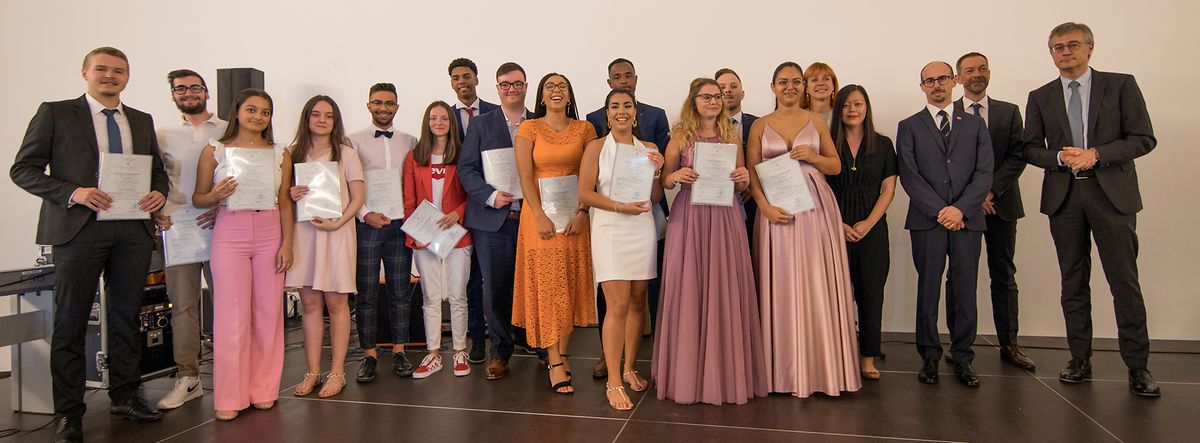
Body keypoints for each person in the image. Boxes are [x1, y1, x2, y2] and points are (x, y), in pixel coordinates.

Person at [10, 46, 168, 441]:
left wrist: (158, 194)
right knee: (71, 322)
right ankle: (69, 414)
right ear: (85, 73)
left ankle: (126, 396)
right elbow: (22, 169)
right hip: (78, 230)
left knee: (127, 316)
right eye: (101, 69)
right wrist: (74, 192)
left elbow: (158, 174)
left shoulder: (141, 120)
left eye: (118, 70)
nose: (110, 76)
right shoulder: (57, 113)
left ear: (128, 77)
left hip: (131, 230)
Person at [1023, 22, 1159, 396]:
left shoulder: (1121, 84)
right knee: (1073, 283)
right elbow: (1030, 148)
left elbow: (1143, 138)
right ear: (1050, 53)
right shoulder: (1040, 95)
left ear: (1090, 48)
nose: (1065, 52)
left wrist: (1097, 154)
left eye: (1072, 45)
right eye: (1056, 47)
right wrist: (1060, 158)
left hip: (1111, 196)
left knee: (1124, 283)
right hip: (1065, 199)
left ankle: (1138, 367)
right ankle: (1079, 358)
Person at [747, 62, 861, 398]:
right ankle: (778, 371)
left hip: (814, 209)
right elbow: (752, 171)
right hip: (775, 209)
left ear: (804, 87)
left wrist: (812, 155)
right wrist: (764, 207)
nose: (790, 87)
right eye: (783, 82)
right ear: (772, 87)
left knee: (814, 279)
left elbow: (836, 166)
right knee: (779, 281)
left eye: (796, 82)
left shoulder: (815, 121)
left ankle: (821, 367)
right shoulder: (759, 125)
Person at [653, 78, 767, 405]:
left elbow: (743, 178)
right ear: (694, 100)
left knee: (724, 286)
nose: (714, 101)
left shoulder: (733, 136)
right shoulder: (679, 136)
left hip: (725, 215)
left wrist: (743, 178)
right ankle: (687, 372)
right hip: (690, 215)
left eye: (718, 96)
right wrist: (676, 176)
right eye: (707, 96)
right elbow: (665, 180)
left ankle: (726, 371)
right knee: (689, 286)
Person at [192, 88, 293, 421]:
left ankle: (264, 389)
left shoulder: (280, 153)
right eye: (252, 110)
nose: (259, 117)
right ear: (237, 111)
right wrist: (216, 194)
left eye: (265, 112)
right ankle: (229, 396)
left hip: (269, 232)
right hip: (230, 232)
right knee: (231, 316)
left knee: (269, 314)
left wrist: (287, 243)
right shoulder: (215, 151)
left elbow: (285, 201)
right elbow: (198, 198)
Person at [896, 61, 993, 388]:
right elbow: (910, 175)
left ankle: (963, 356)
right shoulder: (909, 126)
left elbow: (984, 173)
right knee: (928, 290)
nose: (936, 85)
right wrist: (941, 210)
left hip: (967, 221)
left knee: (965, 289)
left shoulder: (975, 123)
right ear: (921, 86)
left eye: (941, 78)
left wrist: (961, 210)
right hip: (928, 221)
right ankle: (929, 358)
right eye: (928, 81)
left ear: (954, 81)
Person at [947, 52, 1036, 371]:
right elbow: (945, 162)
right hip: (961, 209)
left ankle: (1009, 343)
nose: (977, 74)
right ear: (958, 78)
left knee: (1004, 275)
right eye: (969, 70)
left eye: (982, 68)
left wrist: (990, 189)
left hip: (1001, 204)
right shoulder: (946, 112)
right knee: (958, 276)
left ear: (989, 73)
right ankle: (958, 343)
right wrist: (972, 196)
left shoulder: (1009, 112)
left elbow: (1017, 156)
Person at [584, 57, 670, 379]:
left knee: (637, 304)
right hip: (610, 228)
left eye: (628, 106)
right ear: (607, 114)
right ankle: (614, 380)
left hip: (641, 229)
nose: (622, 111)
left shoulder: (647, 148)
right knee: (616, 306)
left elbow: (656, 197)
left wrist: (658, 171)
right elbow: (585, 194)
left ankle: (631, 367)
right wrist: (619, 208)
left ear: (635, 113)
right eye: (615, 106)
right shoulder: (595, 148)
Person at [512, 72, 597, 395]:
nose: (557, 91)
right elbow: (524, 176)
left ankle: (562, 351)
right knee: (548, 287)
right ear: (541, 97)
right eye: (550, 87)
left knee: (569, 285)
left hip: (575, 220)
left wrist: (583, 212)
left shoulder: (585, 129)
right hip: (540, 221)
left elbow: (590, 175)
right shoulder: (529, 128)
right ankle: (553, 360)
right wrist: (538, 215)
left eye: (562, 86)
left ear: (570, 95)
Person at [458, 62, 541, 380]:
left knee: (534, 285)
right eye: (505, 85)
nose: (511, 89)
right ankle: (501, 352)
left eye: (517, 84)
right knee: (495, 288)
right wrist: (491, 196)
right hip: (494, 219)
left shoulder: (539, 122)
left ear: (525, 86)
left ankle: (540, 345)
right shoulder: (481, 125)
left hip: (533, 218)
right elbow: (467, 169)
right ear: (496, 88)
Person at [152, 69, 227, 410]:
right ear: (172, 95)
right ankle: (188, 376)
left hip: (221, 225)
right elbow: (153, 179)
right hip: (177, 229)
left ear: (206, 92)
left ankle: (230, 372)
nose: (189, 92)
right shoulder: (160, 134)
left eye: (195, 87)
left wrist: (221, 206)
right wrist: (156, 211)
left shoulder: (229, 129)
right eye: (181, 88)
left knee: (228, 303)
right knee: (183, 305)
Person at [285, 96, 365, 398]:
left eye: (328, 115)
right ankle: (312, 371)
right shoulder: (292, 154)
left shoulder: (346, 153)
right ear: (306, 118)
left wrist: (338, 222)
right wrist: (291, 192)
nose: (322, 120)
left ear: (335, 121)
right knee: (309, 304)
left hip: (337, 232)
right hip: (304, 233)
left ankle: (337, 371)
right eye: (316, 114)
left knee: (336, 303)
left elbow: (357, 197)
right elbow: (282, 198)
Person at [348, 83, 419, 382]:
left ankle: (400, 352)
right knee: (365, 294)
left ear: (397, 107)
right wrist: (365, 215)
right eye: (378, 103)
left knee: (400, 292)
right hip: (367, 225)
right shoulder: (351, 141)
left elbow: (414, 182)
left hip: (399, 225)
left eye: (389, 103)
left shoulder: (410, 140)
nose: (383, 108)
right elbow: (349, 183)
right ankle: (368, 355)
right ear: (368, 105)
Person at [826, 85, 898, 380]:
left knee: (871, 295)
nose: (852, 110)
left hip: (872, 228)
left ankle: (867, 358)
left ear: (866, 108)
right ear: (838, 110)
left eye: (858, 104)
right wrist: (837, 223)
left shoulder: (883, 144)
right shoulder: (827, 144)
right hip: (833, 226)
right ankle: (836, 356)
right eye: (846, 105)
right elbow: (819, 188)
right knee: (835, 296)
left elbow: (889, 188)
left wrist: (868, 222)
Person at [404, 101, 475, 379]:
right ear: (427, 121)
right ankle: (433, 353)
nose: (439, 122)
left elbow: (473, 194)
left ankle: (459, 350)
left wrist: (458, 214)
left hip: (458, 236)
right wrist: (415, 233)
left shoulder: (463, 154)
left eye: (444, 117)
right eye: (433, 117)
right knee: (430, 297)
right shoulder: (414, 157)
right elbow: (409, 200)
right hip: (425, 238)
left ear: (451, 122)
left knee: (458, 295)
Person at [447, 57, 494, 362]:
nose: (462, 82)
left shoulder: (494, 112)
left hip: (492, 205)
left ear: (477, 78)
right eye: (455, 78)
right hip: (455, 208)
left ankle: (516, 335)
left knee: (495, 275)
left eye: (466, 76)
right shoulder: (444, 117)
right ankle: (477, 338)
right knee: (469, 279)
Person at [715, 68, 761, 241]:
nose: (727, 90)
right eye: (722, 87)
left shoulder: (759, 124)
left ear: (742, 93)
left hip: (754, 200)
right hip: (717, 200)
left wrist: (750, 185)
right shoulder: (702, 129)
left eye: (733, 86)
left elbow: (767, 160)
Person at [803, 62, 839, 127]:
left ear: (833, 85)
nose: (821, 83)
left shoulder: (841, 115)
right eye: (814, 80)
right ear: (806, 88)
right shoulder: (798, 117)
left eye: (826, 79)